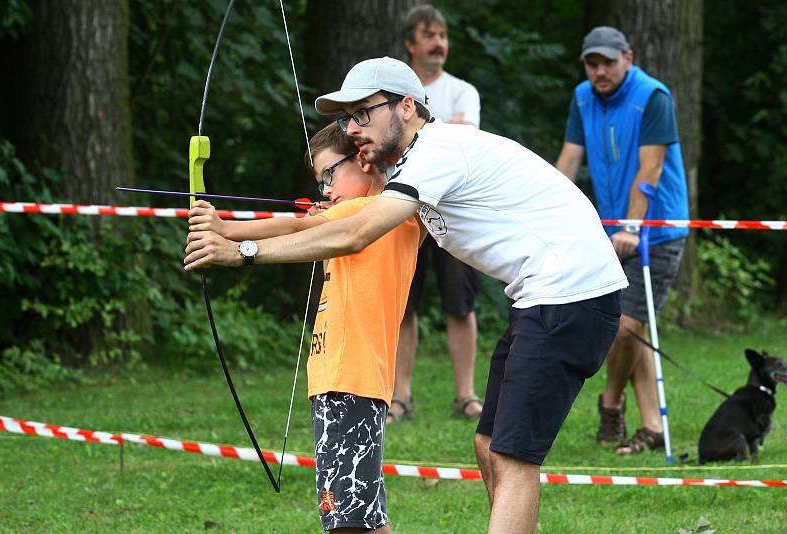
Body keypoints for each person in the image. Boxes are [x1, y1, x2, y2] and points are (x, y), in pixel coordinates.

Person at [185, 56, 627, 533]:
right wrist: (227, 230)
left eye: (363, 113)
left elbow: (355, 232)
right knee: (490, 444)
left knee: (514, 458)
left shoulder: (436, 151)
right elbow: (330, 219)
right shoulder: (416, 164)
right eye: (346, 118)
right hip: (543, 299)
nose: (353, 128)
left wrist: (243, 252)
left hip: (571, 297)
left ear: (408, 107)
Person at [186, 122, 421, 533]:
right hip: (340, 382)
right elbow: (307, 225)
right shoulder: (356, 216)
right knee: (356, 518)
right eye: (321, 181)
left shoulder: (377, 213)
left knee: (350, 522)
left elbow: (298, 227)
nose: (326, 190)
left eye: (330, 174)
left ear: (364, 160)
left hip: (352, 381)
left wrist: (226, 231)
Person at [555, 26, 689, 455]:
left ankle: (610, 403)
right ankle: (652, 426)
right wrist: (545, 214)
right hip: (610, 230)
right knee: (633, 327)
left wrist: (631, 225)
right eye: (592, 63)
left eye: (608, 62)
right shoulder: (582, 98)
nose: (599, 71)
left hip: (656, 227)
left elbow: (650, 169)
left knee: (627, 326)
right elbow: (569, 160)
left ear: (628, 58)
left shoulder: (653, 96)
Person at [388, 4, 484, 423]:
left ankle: (466, 395)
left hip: (454, 212)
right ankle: (399, 397)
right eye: (429, 35)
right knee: (402, 304)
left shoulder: (464, 91)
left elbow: (465, 139)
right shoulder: (394, 95)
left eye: (443, 35)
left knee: (460, 305)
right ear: (411, 44)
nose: (439, 43)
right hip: (403, 211)